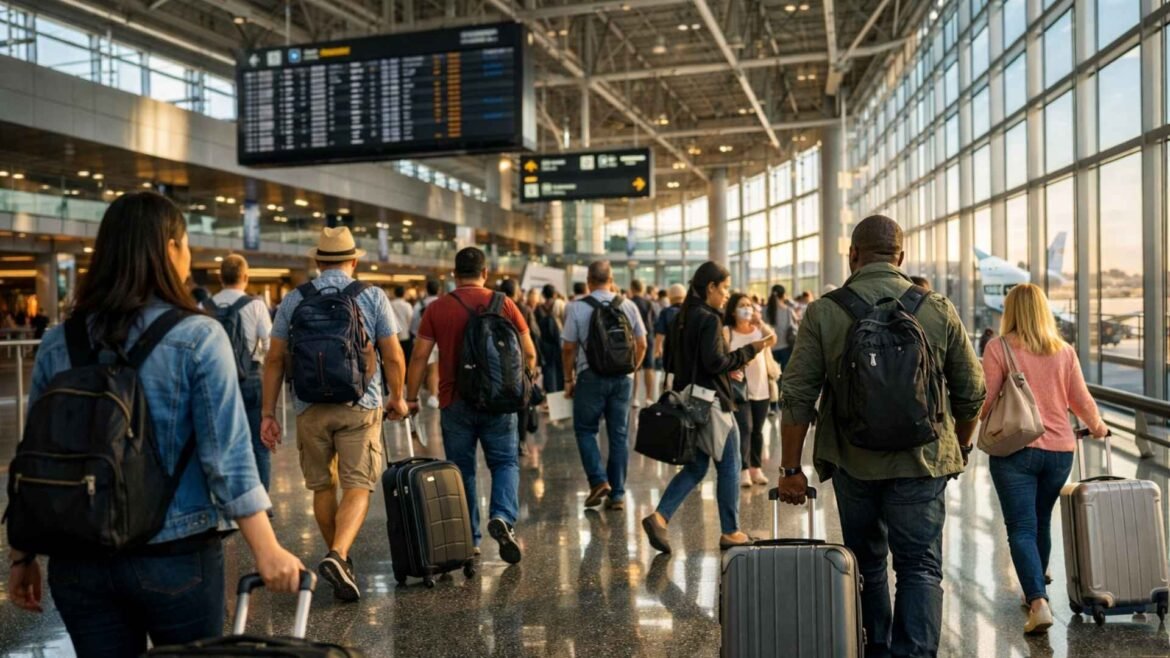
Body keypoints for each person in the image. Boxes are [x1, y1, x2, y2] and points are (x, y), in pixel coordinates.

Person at [8, 191, 303, 656]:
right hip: (175, 555)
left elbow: (36, 454)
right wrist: (266, 549)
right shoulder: (197, 336)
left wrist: (22, 555)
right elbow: (226, 457)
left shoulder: (57, 341)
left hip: (79, 557)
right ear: (169, 248)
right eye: (185, 245)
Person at [777, 215, 986, 657]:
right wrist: (960, 447)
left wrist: (791, 469)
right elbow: (973, 393)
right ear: (901, 257)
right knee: (920, 567)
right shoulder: (937, 308)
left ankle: (876, 646)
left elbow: (796, 394)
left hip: (855, 463)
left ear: (853, 256)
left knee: (867, 564)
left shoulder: (825, 311)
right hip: (922, 462)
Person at [261, 226, 407, 602]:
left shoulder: (295, 299)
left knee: (322, 486)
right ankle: (339, 555)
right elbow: (392, 354)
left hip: (309, 406)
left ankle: (341, 559)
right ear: (354, 260)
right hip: (359, 404)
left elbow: (275, 359)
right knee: (358, 484)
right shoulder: (371, 296)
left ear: (317, 261)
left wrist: (268, 413)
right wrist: (398, 397)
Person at [981, 284, 1107, 634]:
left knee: (1021, 527)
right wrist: (1097, 427)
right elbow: (1080, 399)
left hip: (1015, 450)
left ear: (1011, 311)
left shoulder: (999, 348)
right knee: (1040, 520)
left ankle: (1038, 602)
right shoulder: (1063, 350)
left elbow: (987, 402)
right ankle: (1035, 588)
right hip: (1059, 453)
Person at [407, 248, 537, 564]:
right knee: (505, 462)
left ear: (454, 275)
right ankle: (503, 518)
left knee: (461, 470)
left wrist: (410, 397)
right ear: (485, 273)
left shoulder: (438, 308)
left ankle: (471, 540)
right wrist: (521, 386)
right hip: (499, 401)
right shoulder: (504, 304)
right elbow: (529, 353)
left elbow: (420, 357)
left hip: (455, 401)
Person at [641, 262, 775, 554]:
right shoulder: (709, 319)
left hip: (690, 399)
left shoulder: (682, 316)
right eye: (724, 288)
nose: (726, 294)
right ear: (711, 287)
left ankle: (659, 517)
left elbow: (671, 363)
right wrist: (749, 351)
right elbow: (715, 363)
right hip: (714, 402)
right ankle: (730, 531)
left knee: (697, 465)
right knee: (729, 463)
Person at [562, 261, 647, 511]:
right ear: (611, 279)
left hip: (591, 377)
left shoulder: (577, 307)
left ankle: (598, 480)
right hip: (623, 378)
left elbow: (568, 347)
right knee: (619, 435)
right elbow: (642, 343)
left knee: (586, 429)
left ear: (589, 280)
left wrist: (569, 379)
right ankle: (618, 494)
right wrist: (633, 368)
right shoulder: (628, 305)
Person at [208, 254, 274, 492]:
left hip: (216, 382)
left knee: (223, 444)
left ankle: (230, 501)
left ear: (220, 277)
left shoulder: (205, 307)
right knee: (259, 444)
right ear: (245, 277)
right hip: (252, 379)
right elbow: (269, 345)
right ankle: (261, 502)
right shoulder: (255, 305)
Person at [723, 293, 778, 488]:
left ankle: (756, 467)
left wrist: (760, 321)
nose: (747, 308)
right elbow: (722, 357)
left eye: (749, 305)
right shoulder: (727, 332)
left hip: (760, 387)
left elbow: (773, 340)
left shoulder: (758, 331)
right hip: (738, 389)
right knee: (744, 428)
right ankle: (744, 468)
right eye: (742, 305)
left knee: (757, 430)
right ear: (732, 310)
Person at [501, 278, 540, 458]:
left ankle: (506, 440)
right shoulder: (523, 310)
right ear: (517, 292)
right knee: (523, 403)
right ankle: (521, 442)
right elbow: (534, 337)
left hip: (499, 364)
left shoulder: (492, 308)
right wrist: (534, 367)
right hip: (521, 364)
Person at [412, 279, 442, 408]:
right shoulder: (444, 303)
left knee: (428, 368)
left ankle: (429, 394)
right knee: (436, 369)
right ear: (439, 289)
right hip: (441, 341)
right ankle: (434, 394)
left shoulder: (419, 305)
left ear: (427, 289)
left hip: (424, 340)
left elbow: (413, 325)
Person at [629, 279, 658, 408]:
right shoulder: (649, 303)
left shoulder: (630, 303)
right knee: (649, 368)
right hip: (649, 336)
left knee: (635, 368)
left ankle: (634, 397)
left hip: (633, 337)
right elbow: (654, 321)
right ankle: (649, 398)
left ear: (632, 288)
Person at [534, 284, 565, 394]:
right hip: (558, 344)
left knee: (548, 372)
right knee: (559, 372)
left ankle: (550, 395)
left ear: (543, 294)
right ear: (554, 294)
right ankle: (559, 394)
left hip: (544, 345)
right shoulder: (559, 305)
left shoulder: (538, 309)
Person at [654, 283, 686, 382]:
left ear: (669, 296)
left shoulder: (665, 312)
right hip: (687, 351)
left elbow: (660, 333)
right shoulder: (690, 311)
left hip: (670, 352)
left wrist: (658, 348)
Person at [765, 284, 799, 369]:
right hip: (785, 349)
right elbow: (793, 328)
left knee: (773, 379)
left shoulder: (764, 310)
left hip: (769, 349)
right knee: (785, 378)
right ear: (783, 295)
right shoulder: (788, 310)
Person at [390, 285, 415, 363]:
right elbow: (411, 321)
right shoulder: (407, 306)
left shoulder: (389, 304)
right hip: (405, 336)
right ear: (404, 294)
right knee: (406, 359)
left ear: (394, 293)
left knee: (394, 359)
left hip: (392, 336)